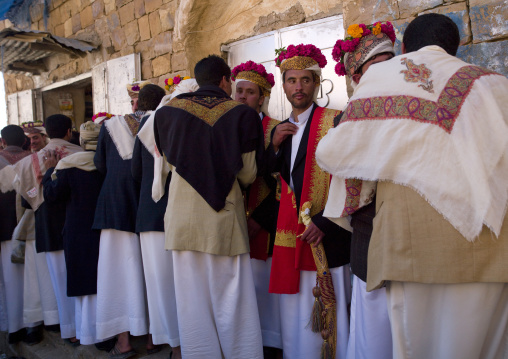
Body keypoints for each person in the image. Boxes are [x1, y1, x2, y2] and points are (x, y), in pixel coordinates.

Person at [316, 13, 508, 359]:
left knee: (418, 346)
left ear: (403, 47)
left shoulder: (384, 78)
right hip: (495, 246)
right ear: (456, 47)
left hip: (415, 246)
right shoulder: (496, 83)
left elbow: (335, 155)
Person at [153, 55, 265, 359]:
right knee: (232, 300)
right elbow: (248, 173)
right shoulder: (242, 114)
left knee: (191, 304)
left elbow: (166, 164)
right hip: (223, 217)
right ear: (225, 81)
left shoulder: (167, 112)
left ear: (197, 79)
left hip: (180, 218)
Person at [265, 44, 351, 359]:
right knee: (294, 310)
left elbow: (348, 178)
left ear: (316, 83)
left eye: (305, 80)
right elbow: (271, 178)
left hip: (327, 234)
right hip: (292, 235)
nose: (298, 87)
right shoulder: (278, 130)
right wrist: (273, 147)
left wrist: (325, 222)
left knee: (330, 306)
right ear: (283, 85)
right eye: (291, 80)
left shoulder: (336, 120)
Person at [330, 21, 395, 359]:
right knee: (375, 328)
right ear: (356, 76)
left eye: (392, 61)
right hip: (370, 239)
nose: (390, 70)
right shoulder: (346, 121)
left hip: (409, 242)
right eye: (378, 65)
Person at [93, 83, 165, 359]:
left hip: (116, 204)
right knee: (151, 272)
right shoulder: (163, 123)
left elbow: (100, 164)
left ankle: (123, 342)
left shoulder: (109, 127)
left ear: (135, 104)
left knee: (118, 274)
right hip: (150, 205)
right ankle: (151, 338)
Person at [1, 115, 82, 343]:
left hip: (45, 226)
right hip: (75, 223)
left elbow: (20, 193)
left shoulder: (30, 162)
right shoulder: (83, 154)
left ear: (46, 134)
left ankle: (59, 324)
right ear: (68, 132)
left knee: (49, 277)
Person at [133, 79, 196, 359]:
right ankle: (188, 344)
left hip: (151, 215)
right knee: (185, 284)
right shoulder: (188, 125)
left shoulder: (146, 128)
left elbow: (136, 173)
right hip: (181, 214)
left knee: (161, 285)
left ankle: (175, 346)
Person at [231, 61, 283, 357]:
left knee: (265, 290)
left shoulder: (277, 128)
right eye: (239, 90)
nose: (242, 96)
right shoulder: (226, 125)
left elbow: (284, 184)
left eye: (250, 92)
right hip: (234, 221)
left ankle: (270, 344)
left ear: (261, 97)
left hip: (266, 224)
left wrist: (261, 221)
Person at [42, 120, 105, 347]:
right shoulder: (106, 163)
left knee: (83, 284)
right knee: (102, 281)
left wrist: (51, 169)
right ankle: (107, 334)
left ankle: (88, 333)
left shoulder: (68, 165)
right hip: (103, 232)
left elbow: (51, 196)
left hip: (78, 232)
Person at [0, 125, 36, 344]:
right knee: (30, 279)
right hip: (29, 228)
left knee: (9, 281)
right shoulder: (33, 159)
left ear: (3, 141)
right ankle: (32, 326)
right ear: (24, 141)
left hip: (5, 229)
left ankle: (14, 328)